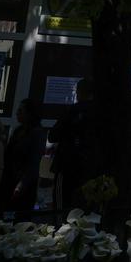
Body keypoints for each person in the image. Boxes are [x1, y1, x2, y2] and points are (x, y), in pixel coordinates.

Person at [48, 78, 97, 211]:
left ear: (79, 92)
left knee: (62, 204)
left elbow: (53, 135)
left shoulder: (72, 111)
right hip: (89, 167)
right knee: (84, 206)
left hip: (67, 164)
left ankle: (60, 229)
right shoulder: (99, 114)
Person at [0, 98, 46, 215]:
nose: (17, 114)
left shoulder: (36, 133)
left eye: (21, 111)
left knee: (17, 215)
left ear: (30, 114)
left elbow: (33, 161)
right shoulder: (19, 131)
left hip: (22, 182)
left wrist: (22, 183)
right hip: (10, 178)